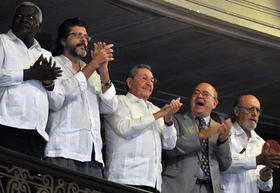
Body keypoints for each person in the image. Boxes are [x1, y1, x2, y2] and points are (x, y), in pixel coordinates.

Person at [44, 18, 117, 178]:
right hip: (63, 150)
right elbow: (57, 100)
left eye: (85, 36)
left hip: (92, 154)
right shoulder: (53, 64)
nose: (83, 39)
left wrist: (103, 69)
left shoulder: (93, 72)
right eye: (77, 35)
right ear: (63, 41)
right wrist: (93, 64)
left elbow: (110, 107)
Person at [103, 64, 182, 193]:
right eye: (144, 78)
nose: (149, 83)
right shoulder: (119, 101)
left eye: (152, 80)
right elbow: (124, 129)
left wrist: (168, 120)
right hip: (125, 179)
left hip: (152, 183)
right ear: (130, 82)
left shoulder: (155, 109)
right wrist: (158, 115)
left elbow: (169, 144)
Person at [0, 1, 61, 158]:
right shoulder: (2, 42)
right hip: (6, 126)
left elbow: (57, 102)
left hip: (36, 132)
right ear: (12, 20)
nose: (25, 19)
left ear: (39, 27)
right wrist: (30, 74)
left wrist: (48, 84)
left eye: (31, 17)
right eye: (20, 15)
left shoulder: (46, 55)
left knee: (28, 182)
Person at [162, 82, 232, 193]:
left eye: (205, 94)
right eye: (196, 93)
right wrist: (201, 135)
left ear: (214, 103)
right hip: (179, 187)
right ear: (191, 100)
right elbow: (171, 150)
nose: (200, 96)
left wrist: (222, 141)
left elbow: (225, 165)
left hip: (209, 188)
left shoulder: (219, 128)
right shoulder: (176, 120)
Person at [221, 95, 280, 193]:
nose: (255, 114)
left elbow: (266, 187)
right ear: (237, 111)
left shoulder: (261, 142)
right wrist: (256, 160)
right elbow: (224, 165)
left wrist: (264, 178)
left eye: (258, 111)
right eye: (251, 109)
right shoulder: (224, 135)